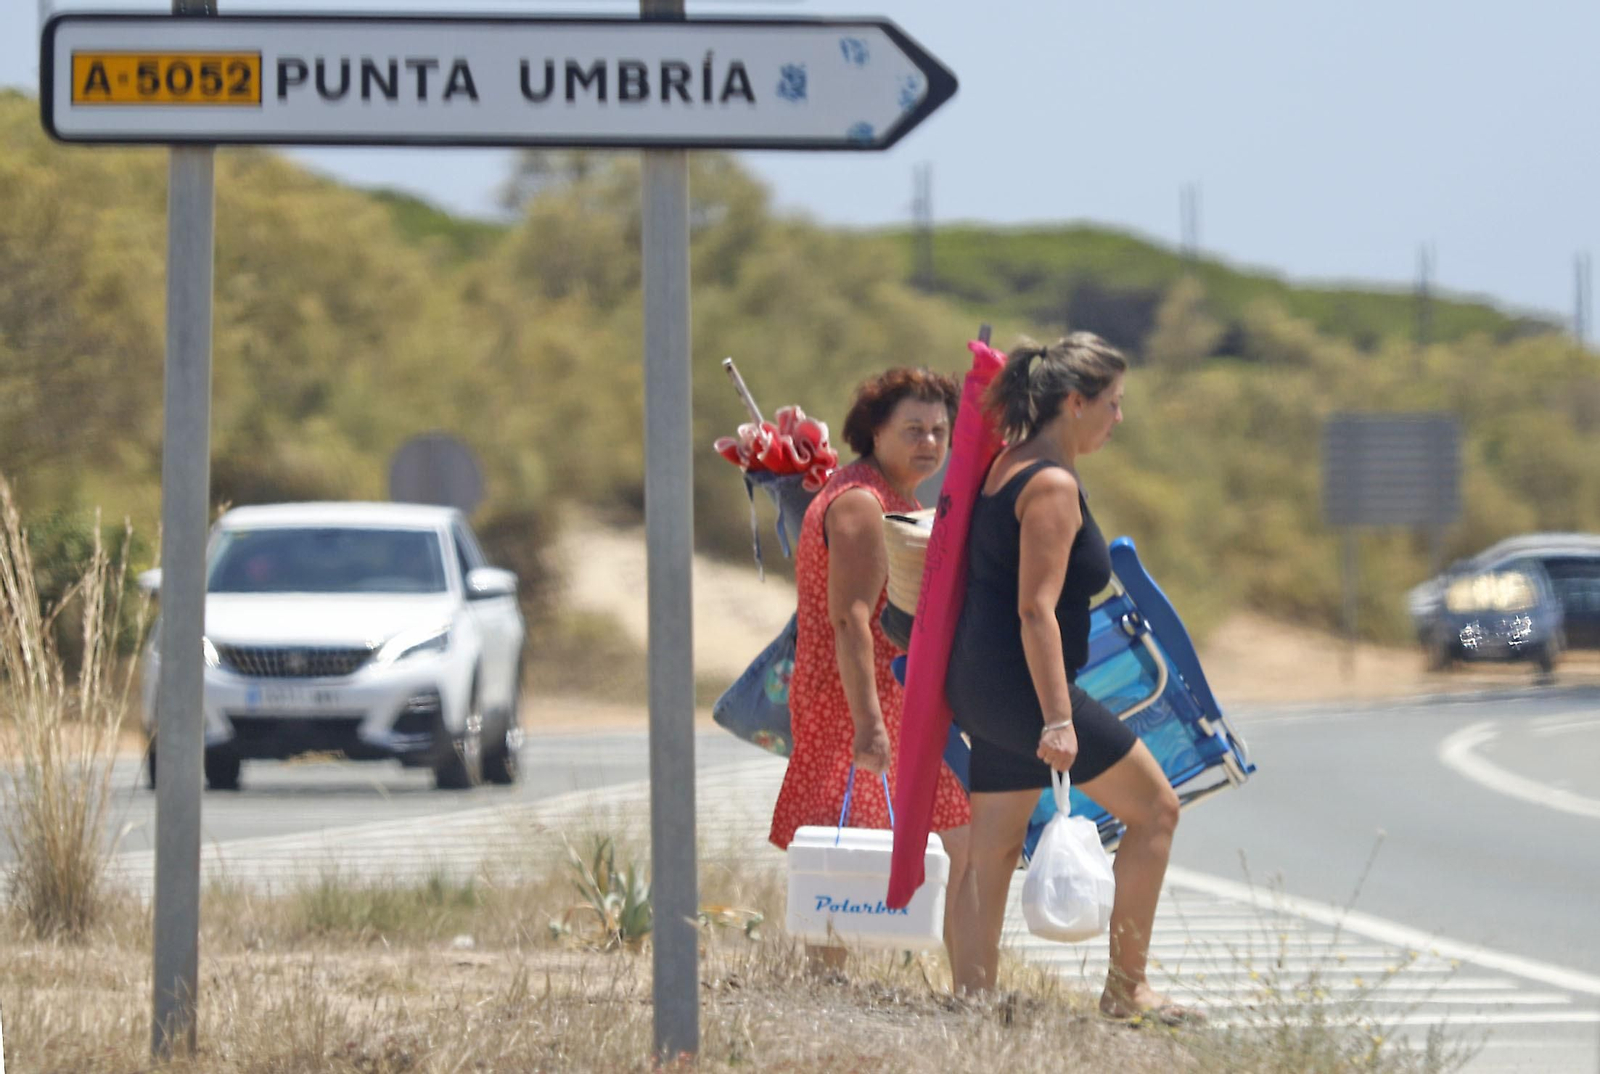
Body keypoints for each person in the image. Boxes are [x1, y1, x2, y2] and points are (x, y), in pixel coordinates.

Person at [946, 333, 1199, 1024]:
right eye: (1111, 404)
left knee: (992, 849)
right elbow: (1036, 608)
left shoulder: (1006, 465)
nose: (1118, 418)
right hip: (1026, 690)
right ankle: (1127, 988)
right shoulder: (1051, 485)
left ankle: (972, 1000)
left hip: (982, 684)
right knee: (1156, 811)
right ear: (1074, 401)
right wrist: (1057, 718)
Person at [769, 367, 981, 991]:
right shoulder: (861, 502)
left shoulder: (898, 499)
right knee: (847, 854)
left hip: (897, 699)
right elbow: (850, 618)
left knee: (954, 845)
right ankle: (823, 991)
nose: (929, 443)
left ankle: (974, 992)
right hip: (853, 700)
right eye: (913, 429)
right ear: (875, 431)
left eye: (939, 431)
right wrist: (868, 725)